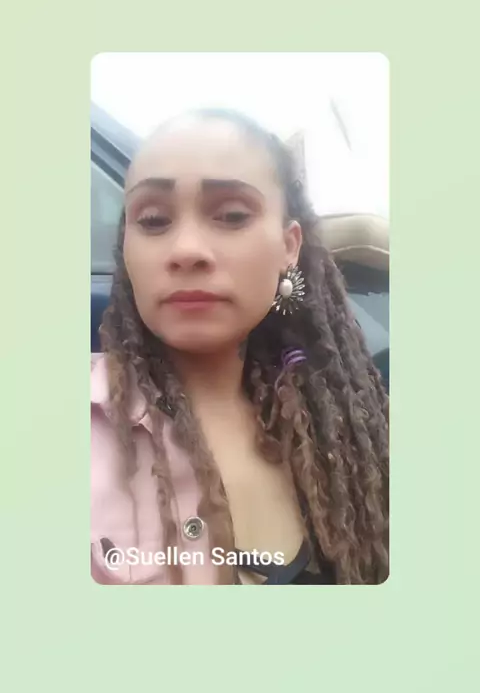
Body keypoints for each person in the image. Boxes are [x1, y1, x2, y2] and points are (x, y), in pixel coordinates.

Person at [91, 108, 389, 585]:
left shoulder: (353, 427)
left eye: (231, 215)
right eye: (153, 220)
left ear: (289, 246)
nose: (186, 249)